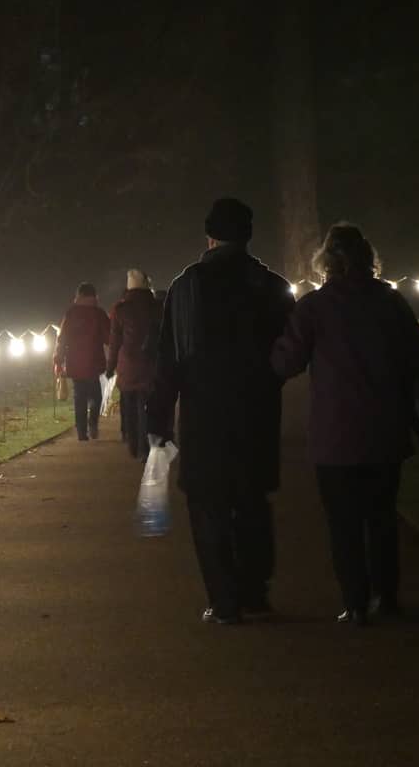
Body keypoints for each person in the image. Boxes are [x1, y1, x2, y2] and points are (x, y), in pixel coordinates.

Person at [270, 223, 419, 626]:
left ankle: (355, 601)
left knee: (343, 523)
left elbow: (285, 362)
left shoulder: (314, 307)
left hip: (336, 433)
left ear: (326, 262)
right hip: (385, 429)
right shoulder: (391, 303)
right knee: (382, 517)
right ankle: (388, 596)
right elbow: (418, 359)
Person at [150, 198, 295, 625]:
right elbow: (287, 351)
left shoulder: (186, 286)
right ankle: (255, 590)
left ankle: (224, 598)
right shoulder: (270, 286)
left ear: (209, 236)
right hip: (256, 411)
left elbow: (169, 360)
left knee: (209, 503)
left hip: (204, 413)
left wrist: (158, 417)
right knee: (252, 499)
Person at [106, 269, 162, 460]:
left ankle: (132, 445)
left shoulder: (120, 309)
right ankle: (145, 447)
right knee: (146, 406)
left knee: (129, 406)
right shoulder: (156, 307)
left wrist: (110, 366)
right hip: (150, 363)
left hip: (127, 363)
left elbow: (114, 343)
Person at [54, 282, 111, 441]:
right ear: (94, 296)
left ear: (78, 296)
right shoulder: (99, 314)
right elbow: (109, 337)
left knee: (79, 397)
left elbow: (62, 339)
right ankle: (92, 422)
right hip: (94, 362)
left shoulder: (71, 314)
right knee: (96, 396)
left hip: (75, 362)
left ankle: (81, 432)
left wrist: (58, 359)